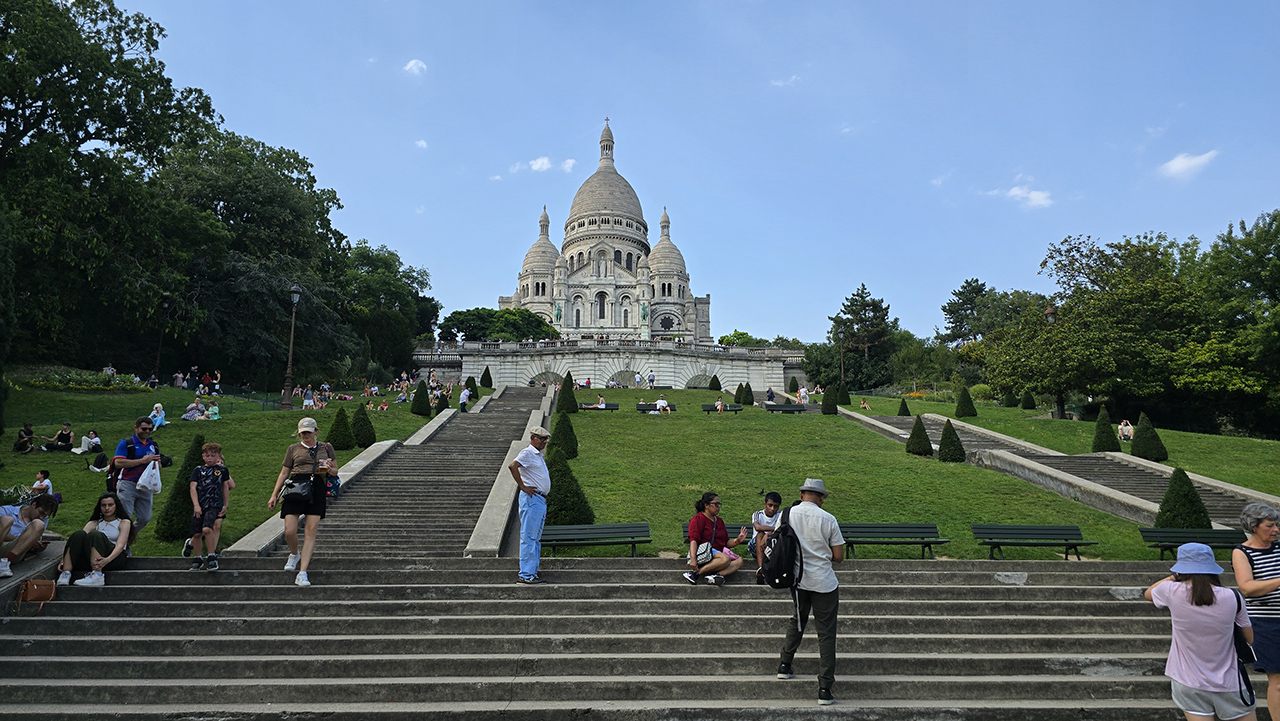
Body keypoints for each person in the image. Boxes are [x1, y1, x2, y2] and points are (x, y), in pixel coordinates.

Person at [1149, 543, 1257, 721]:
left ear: (1181, 568)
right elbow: (1249, 638)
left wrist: (1173, 577)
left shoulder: (1170, 591)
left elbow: (1148, 593)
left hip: (1187, 681)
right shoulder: (1233, 597)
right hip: (1230, 682)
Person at [777, 478, 845, 706]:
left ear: (802, 493)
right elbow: (838, 556)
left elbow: (777, 543)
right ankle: (825, 688)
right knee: (826, 635)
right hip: (824, 583)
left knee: (797, 621)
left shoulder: (787, 515)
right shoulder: (828, 519)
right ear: (820, 497)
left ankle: (785, 665)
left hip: (797, 581)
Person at [268, 418, 336, 587]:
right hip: (296, 485)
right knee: (289, 530)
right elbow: (284, 472)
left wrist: (328, 469)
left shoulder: (326, 447)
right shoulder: (293, 449)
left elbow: (335, 471)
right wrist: (274, 494)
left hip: (317, 486)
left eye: (308, 432)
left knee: (310, 531)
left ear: (316, 431)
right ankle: (294, 554)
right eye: (302, 432)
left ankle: (302, 572)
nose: (306, 435)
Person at [1232, 503, 1280, 714]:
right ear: (1254, 527)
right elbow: (1247, 588)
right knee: (1278, 681)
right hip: (1265, 623)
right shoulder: (1241, 552)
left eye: (1277, 525)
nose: (1276, 530)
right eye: (1270, 526)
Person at [56, 492, 132, 587]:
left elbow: (120, 546)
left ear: (116, 506)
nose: (107, 508)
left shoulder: (123, 522)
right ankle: (66, 573)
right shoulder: (94, 523)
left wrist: (106, 560)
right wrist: (63, 560)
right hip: (92, 559)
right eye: (103, 505)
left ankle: (97, 575)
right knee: (79, 533)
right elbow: (78, 541)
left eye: (110, 505)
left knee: (95, 535)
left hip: (113, 558)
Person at [508, 426, 551, 584]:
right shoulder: (528, 453)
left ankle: (531, 572)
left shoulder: (538, 456)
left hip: (539, 499)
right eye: (541, 439)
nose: (544, 442)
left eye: (546, 439)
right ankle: (526, 574)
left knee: (535, 538)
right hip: (532, 498)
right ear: (533, 438)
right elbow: (513, 466)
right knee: (529, 536)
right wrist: (523, 486)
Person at [684, 491, 748, 586]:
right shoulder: (698, 519)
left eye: (719, 504)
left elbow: (726, 542)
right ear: (706, 505)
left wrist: (737, 540)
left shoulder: (719, 521)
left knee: (739, 561)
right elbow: (694, 540)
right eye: (716, 504)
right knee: (725, 559)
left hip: (718, 553)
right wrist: (693, 559)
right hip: (705, 552)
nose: (718, 507)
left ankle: (715, 576)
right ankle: (695, 574)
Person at [112, 417, 162, 532]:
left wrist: (156, 465)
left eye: (150, 429)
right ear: (136, 428)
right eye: (144, 429)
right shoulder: (127, 443)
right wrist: (142, 461)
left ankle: (129, 535)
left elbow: (159, 466)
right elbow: (118, 462)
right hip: (128, 482)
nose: (147, 432)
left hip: (146, 485)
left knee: (145, 517)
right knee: (125, 517)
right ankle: (121, 541)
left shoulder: (153, 445)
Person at [187, 442, 231, 572]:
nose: (210, 458)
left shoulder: (222, 470)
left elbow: (225, 487)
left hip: (214, 504)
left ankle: (211, 556)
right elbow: (193, 487)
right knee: (197, 533)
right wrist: (196, 504)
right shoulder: (198, 470)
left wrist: (225, 504)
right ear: (203, 457)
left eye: (213, 455)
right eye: (207, 456)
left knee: (207, 529)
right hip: (200, 503)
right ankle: (198, 557)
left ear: (218, 456)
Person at [0, 494, 57, 577]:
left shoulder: (39, 521)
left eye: (45, 516)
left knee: (39, 524)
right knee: (7, 520)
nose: (41, 517)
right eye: (41, 512)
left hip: (13, 551)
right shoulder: (6, 510)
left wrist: (35, 545)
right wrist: (21, 539)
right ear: (34, 504)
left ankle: (5, 562)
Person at [750, 492, 783, 581]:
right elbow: (758, 527)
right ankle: (761, 568)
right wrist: (774, 529)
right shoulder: (758, 514)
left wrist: (768, 534)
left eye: (775, 506)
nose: (772, 509)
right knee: (760, 534)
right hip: (756, 545)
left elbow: (782, 531)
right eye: (770, 505)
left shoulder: (780, 516)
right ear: (765, 505)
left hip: (773, 545)